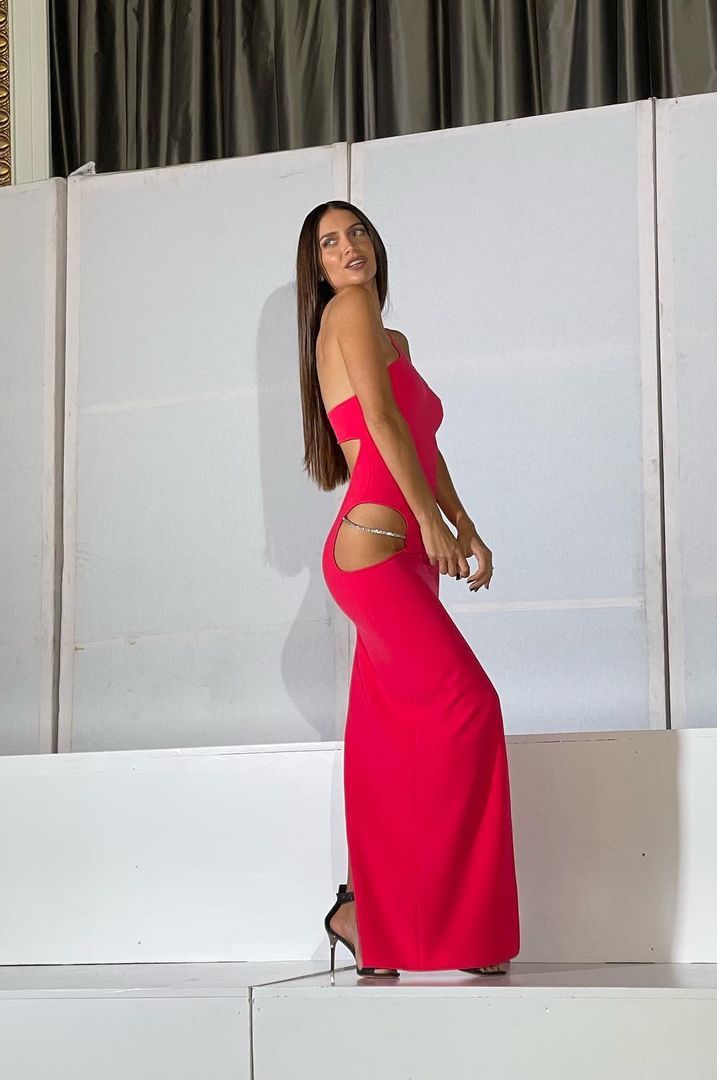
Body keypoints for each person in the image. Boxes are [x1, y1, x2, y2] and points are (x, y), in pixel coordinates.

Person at [296, 200, 520, 978]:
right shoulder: (349, 310)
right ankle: (455, 927)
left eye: (356, 231)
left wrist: (463, 523)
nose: (348, 248)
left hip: (406, 551)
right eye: (329, 243)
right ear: (318, 268)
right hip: (377, 550)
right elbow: (384, 426)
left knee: (388, 741)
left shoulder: (394, 338)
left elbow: (425, 442)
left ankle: (364, 916)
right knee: (470, 706)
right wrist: (429, 523)